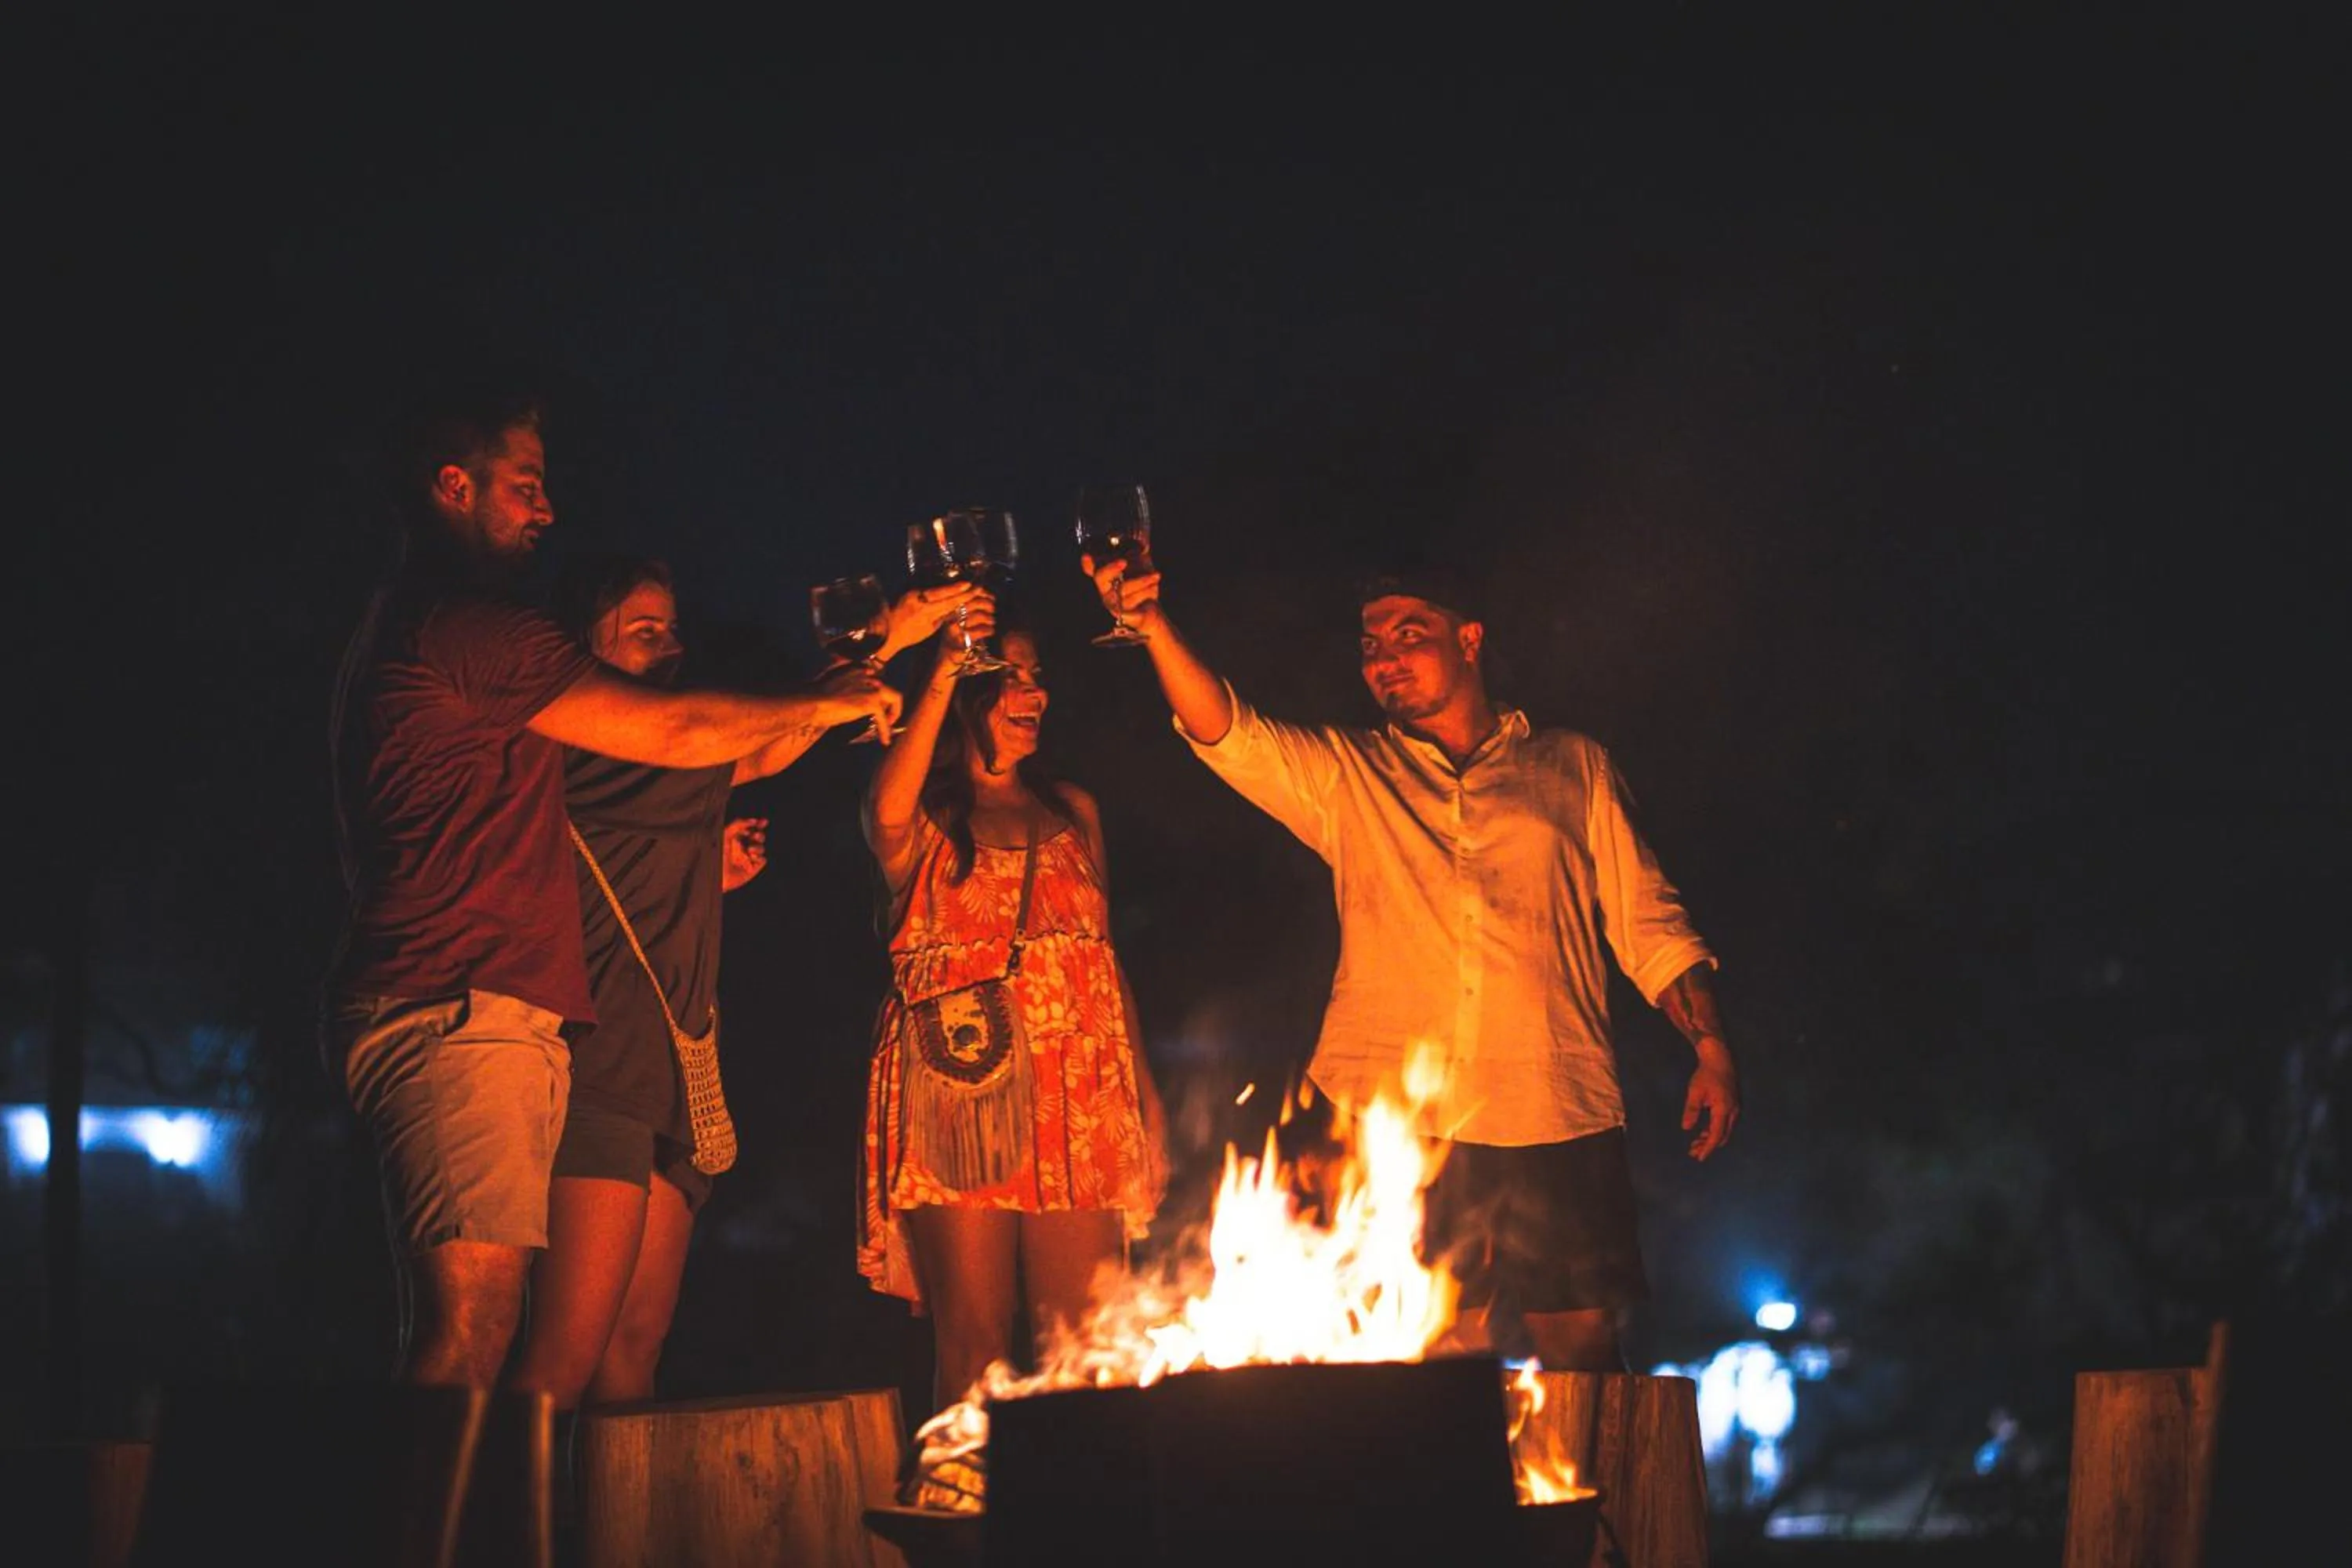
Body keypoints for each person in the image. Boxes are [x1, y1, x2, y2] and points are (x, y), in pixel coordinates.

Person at [324, 384, 938, 1390]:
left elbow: (726, 744)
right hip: (458, 999)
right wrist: (838, 684)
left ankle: (495, 1531)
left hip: (491, 1006)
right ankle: (432, 1539)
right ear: (453, 485)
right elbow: (686, 732)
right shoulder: (473, 627)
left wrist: (882, 654)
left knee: (514, 1333)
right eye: (525, 485)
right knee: (476, 1331)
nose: (546, 509)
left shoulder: (446, 636)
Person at [1085, 544, 1739, 1372]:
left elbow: (1652, 919)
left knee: (1581, 1348)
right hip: (1387, 1106)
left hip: (1553, 1102)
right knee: (1423, 1350)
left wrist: (1711, 1046)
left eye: (1408, 633)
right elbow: (1229, 733)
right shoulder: (1351, 775)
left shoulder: (1571, 765)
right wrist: (1150, 627)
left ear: (1469, 639)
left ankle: (1599, 1503)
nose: (1385, 658)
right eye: (1370, 644)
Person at [509, 553, 976, 1410]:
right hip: (598, 1071)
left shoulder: (673, 755)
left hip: (674, 1075)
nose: (671, 646)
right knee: (559, 1364)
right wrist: (880, 648)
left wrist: (882, 648)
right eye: (643, 631)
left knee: (633, 1353)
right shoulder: (591, 753)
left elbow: (765, 741)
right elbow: (745, 735)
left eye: (672, 628)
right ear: (584, 648)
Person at [858, 600, 1167, 1418]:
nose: (1034, 692)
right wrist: (944, 669)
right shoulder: (924, 815)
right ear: (967, 690)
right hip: (964, 1083)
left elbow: (1104, 959)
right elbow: (883, 812)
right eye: (1012, 677)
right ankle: (965, 1526)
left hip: (1082, 1087)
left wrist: (1147, 1102)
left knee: (1087, 1335)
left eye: (1039, 677)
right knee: (975, 1340)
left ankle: (1085, 1520)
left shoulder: (1074, 810)